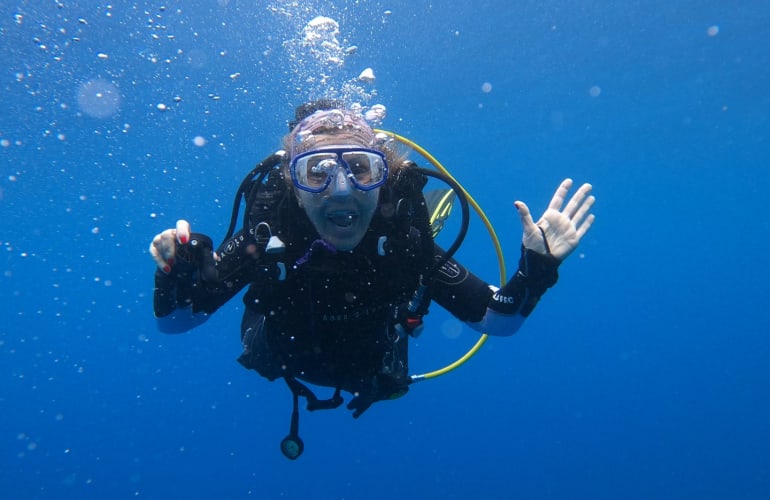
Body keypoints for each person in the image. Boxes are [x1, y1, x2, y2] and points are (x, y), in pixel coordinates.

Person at [149, 100, 595, 458]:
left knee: (391, 365)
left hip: (373, 364)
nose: (341, 190)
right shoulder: (268, 231)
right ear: (292, 185)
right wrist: (176, 277)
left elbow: (498, 319)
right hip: (277, 352)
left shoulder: (403, 238)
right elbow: (176, 322)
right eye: (317, 172)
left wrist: (536, 270)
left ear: (384, 178)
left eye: (362, 168)